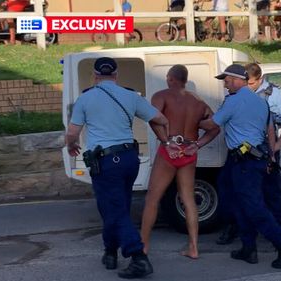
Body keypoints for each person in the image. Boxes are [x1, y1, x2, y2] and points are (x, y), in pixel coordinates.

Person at [65, 57, 169, 279]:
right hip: (129, 159)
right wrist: (167, 139)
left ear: (94, 76)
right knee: (116, 206)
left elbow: (72, 132)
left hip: (105, 162)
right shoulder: (130, 96)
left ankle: (138, 257)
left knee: (114, 209)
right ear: (116, 75)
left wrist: (71, 145)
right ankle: (110, 253)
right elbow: (160, 118)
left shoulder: (85, 99)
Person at [200, 64, 281, 269]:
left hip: (244, 162)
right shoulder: (261, 101)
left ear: (237, 80)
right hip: (256, 159)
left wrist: (193, 117)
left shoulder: (233, 101)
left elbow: (212, 125)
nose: (225, 86)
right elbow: (270, 130)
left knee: (253, 207)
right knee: (240, 203)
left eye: (226, 81)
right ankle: (248, 248)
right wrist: (272, 156)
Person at [140, 65, 219, 259]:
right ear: (185, 79)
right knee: (189, 199)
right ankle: (193, 247)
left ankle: (143, 247)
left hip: (171, 149)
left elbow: (153, 118)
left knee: (152, 199)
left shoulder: (161, 95)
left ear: (170, 78)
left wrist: (166, 142)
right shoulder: (199, 102)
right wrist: (198, 144)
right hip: (189, 151)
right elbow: (215, 128)